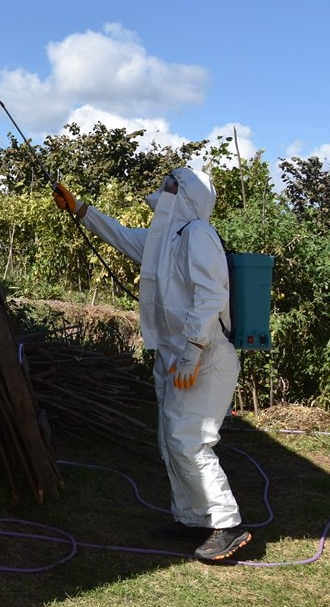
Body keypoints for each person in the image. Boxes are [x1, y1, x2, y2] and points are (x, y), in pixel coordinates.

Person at [53, 167, 251, 562]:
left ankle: (227, 523)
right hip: (174, 353)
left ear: (192, 196)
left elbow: (211, 296)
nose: (166, 189)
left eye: (174, 185)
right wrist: (81, 210)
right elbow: (122, 235)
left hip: (205, 356)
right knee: (170, 440)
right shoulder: (165, 240)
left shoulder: (197, 234)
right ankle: (192, 517)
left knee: (190, 440)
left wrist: (193, 351)